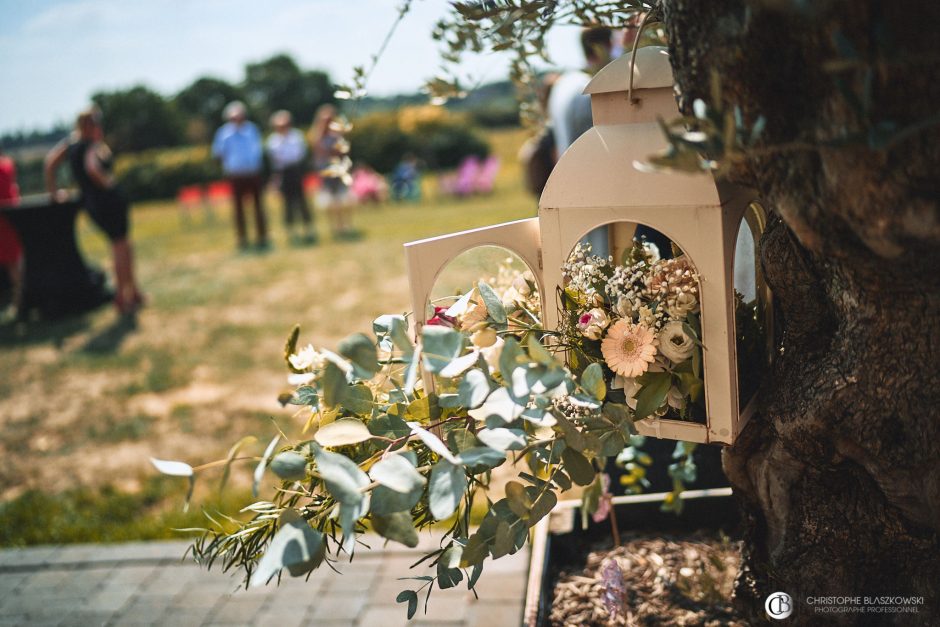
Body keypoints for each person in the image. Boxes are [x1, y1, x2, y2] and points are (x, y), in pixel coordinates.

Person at [44, 108, 143, 315]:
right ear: (90, 125)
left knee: (120, 245)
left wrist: (54, 192)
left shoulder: (71, 145)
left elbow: (50, 163)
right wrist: (109, 183)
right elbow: (92, 169)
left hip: (91, 202)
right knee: (121, 246)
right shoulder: (91, 145)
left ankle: (132, 292)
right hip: (108, 200)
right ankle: (123, 296)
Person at [212, 101, 268, 250]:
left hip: (252, 172)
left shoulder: (252, 129)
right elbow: (218, 154)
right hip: (235, 174)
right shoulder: (223, 133)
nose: (237, 119)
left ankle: (262, 237)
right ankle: (242, 238)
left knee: (258, 207)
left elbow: (258, 149)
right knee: (238, 209)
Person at [266, 110, 315, 243]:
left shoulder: (296, 136)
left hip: (296, 170)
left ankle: (309, 228)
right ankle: (291, 230)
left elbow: (300, 154)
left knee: (302, 201)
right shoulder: (273, 140)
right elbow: (275, 160)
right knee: (287, 203)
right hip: (283, 173)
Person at [308, 104, 356, 239]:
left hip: (339, 171)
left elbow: (343, 150)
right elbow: (318, 153)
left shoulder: (337, 134)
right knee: (329, 202)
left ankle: (345, 225)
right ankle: (333, 227)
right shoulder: (316, 136)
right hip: (326, 173)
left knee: (343, 200)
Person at [0, 144, 23, 311]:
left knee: (13, 263)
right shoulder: (8, 163)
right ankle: (19, 299)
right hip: (12, 217)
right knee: (14, 262)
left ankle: (20, 300)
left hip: (4, 221)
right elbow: (14, 189)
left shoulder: (4, 166)